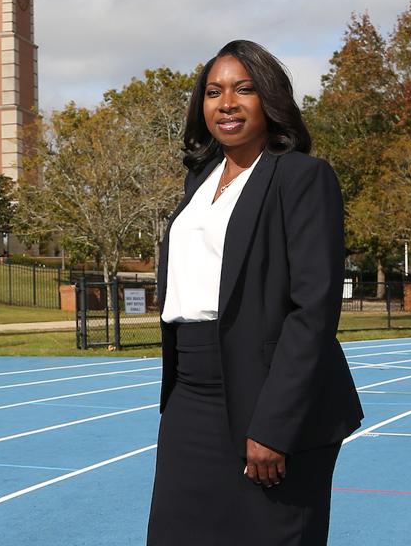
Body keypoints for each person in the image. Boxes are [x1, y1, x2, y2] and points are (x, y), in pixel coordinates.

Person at [147, 40, 363, 545]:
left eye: (244, 89)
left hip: (268, 398)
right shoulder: (198, 181)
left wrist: (274, 426)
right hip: (191, 397)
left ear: (270, 99)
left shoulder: (302, 177)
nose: (227, 103)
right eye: (214, 91)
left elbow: (312, 310)